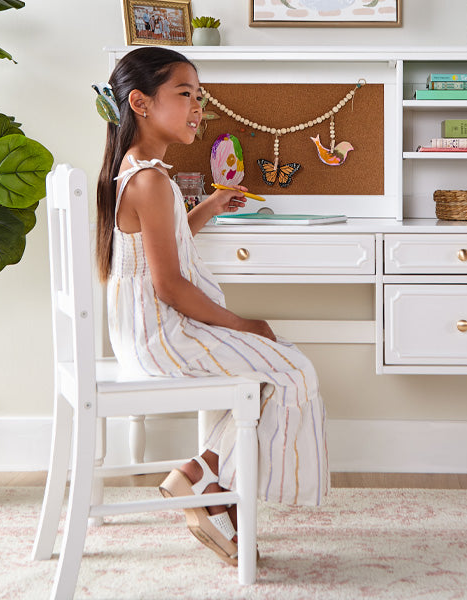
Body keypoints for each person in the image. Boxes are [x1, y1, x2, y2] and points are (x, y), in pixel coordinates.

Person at [94, 47, 329, 567]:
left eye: (199, 97)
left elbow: (164, 243)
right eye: (185, 95)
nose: (198, 107)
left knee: (275, 368)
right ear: (140, 102)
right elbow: (172, 286)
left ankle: (201, 473)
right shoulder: (151, 180)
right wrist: (245, 325)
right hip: (162, 336)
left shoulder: (138, 171)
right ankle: (207, 479)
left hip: (140, 334)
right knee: (293, 368)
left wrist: (209, 206)